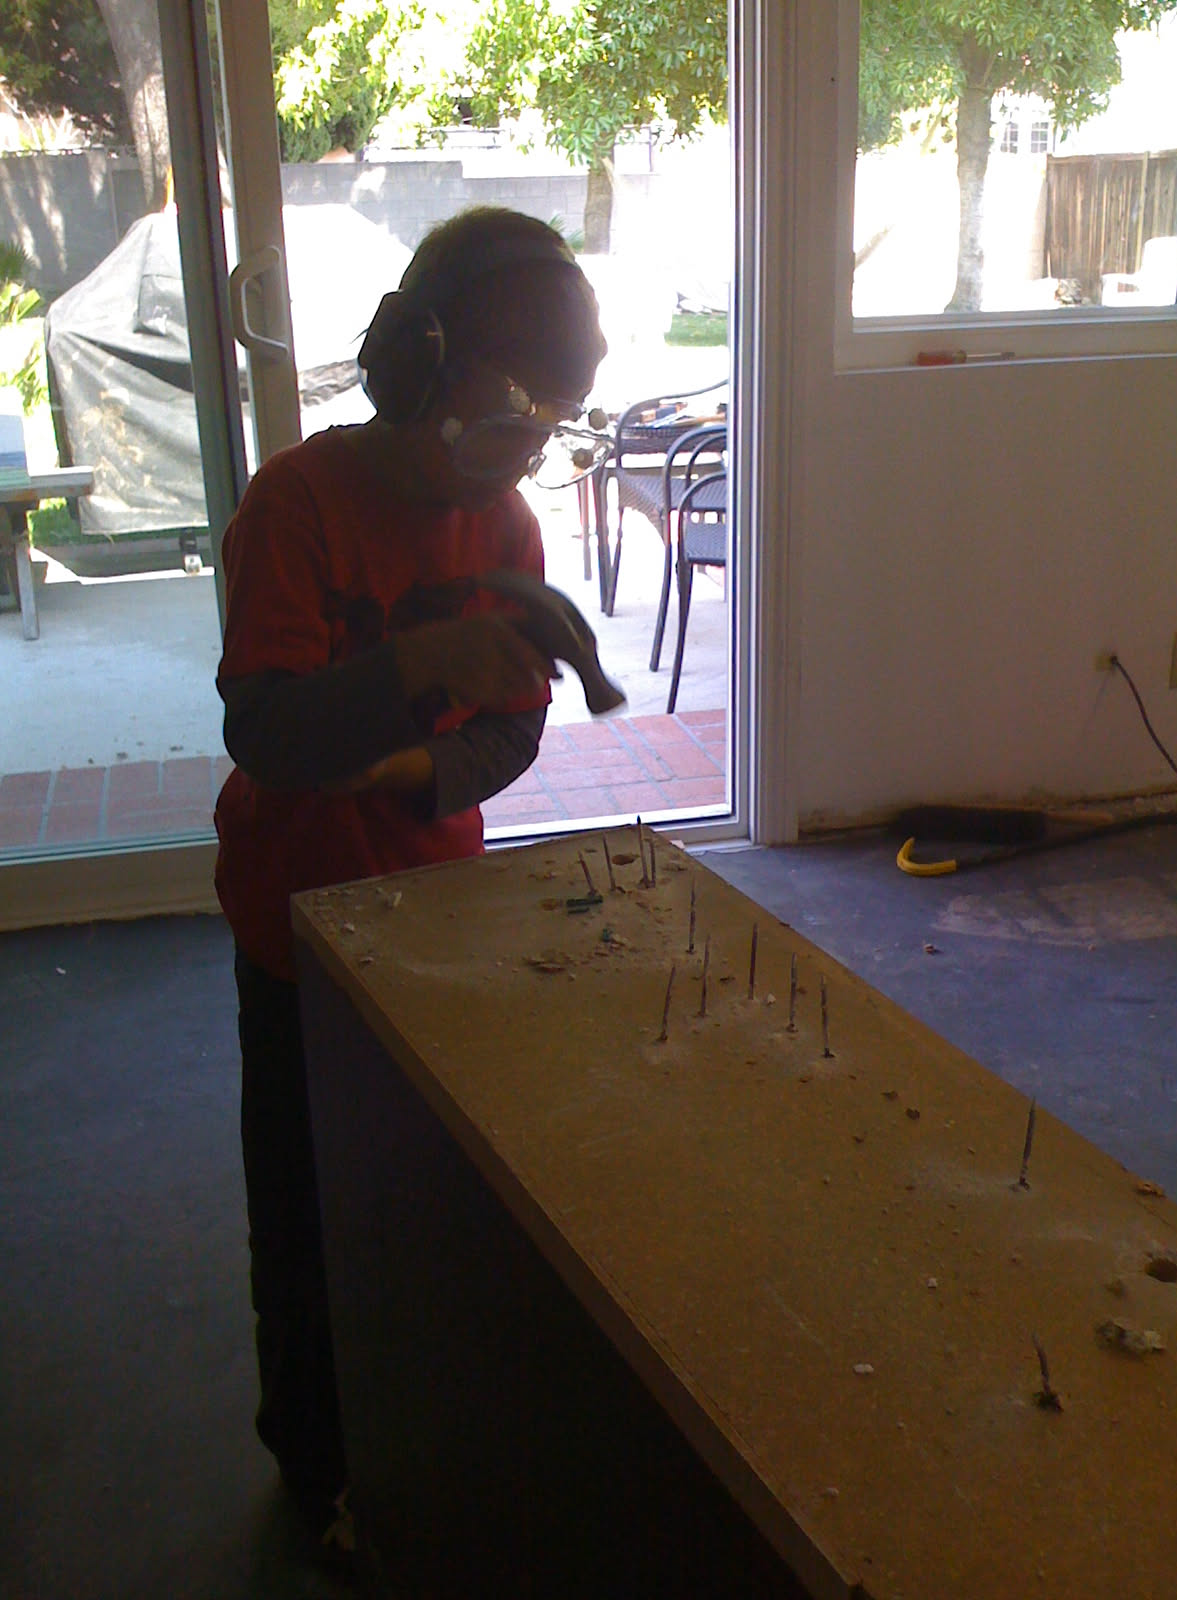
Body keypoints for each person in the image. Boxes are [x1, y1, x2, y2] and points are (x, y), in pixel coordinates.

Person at [213, 206, 607, 1559]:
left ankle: (425, 1427)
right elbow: (268, 731)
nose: (525, 449)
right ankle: (316, 1460)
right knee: (306, 1207)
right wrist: (418, 670)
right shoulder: (297, 506)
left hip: (438, 911)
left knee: (429, 1197)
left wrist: (407, 768)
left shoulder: (508, 530)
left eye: (552, 422)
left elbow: (512, 732)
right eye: (508, 410)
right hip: (296, 919)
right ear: (412, 362)